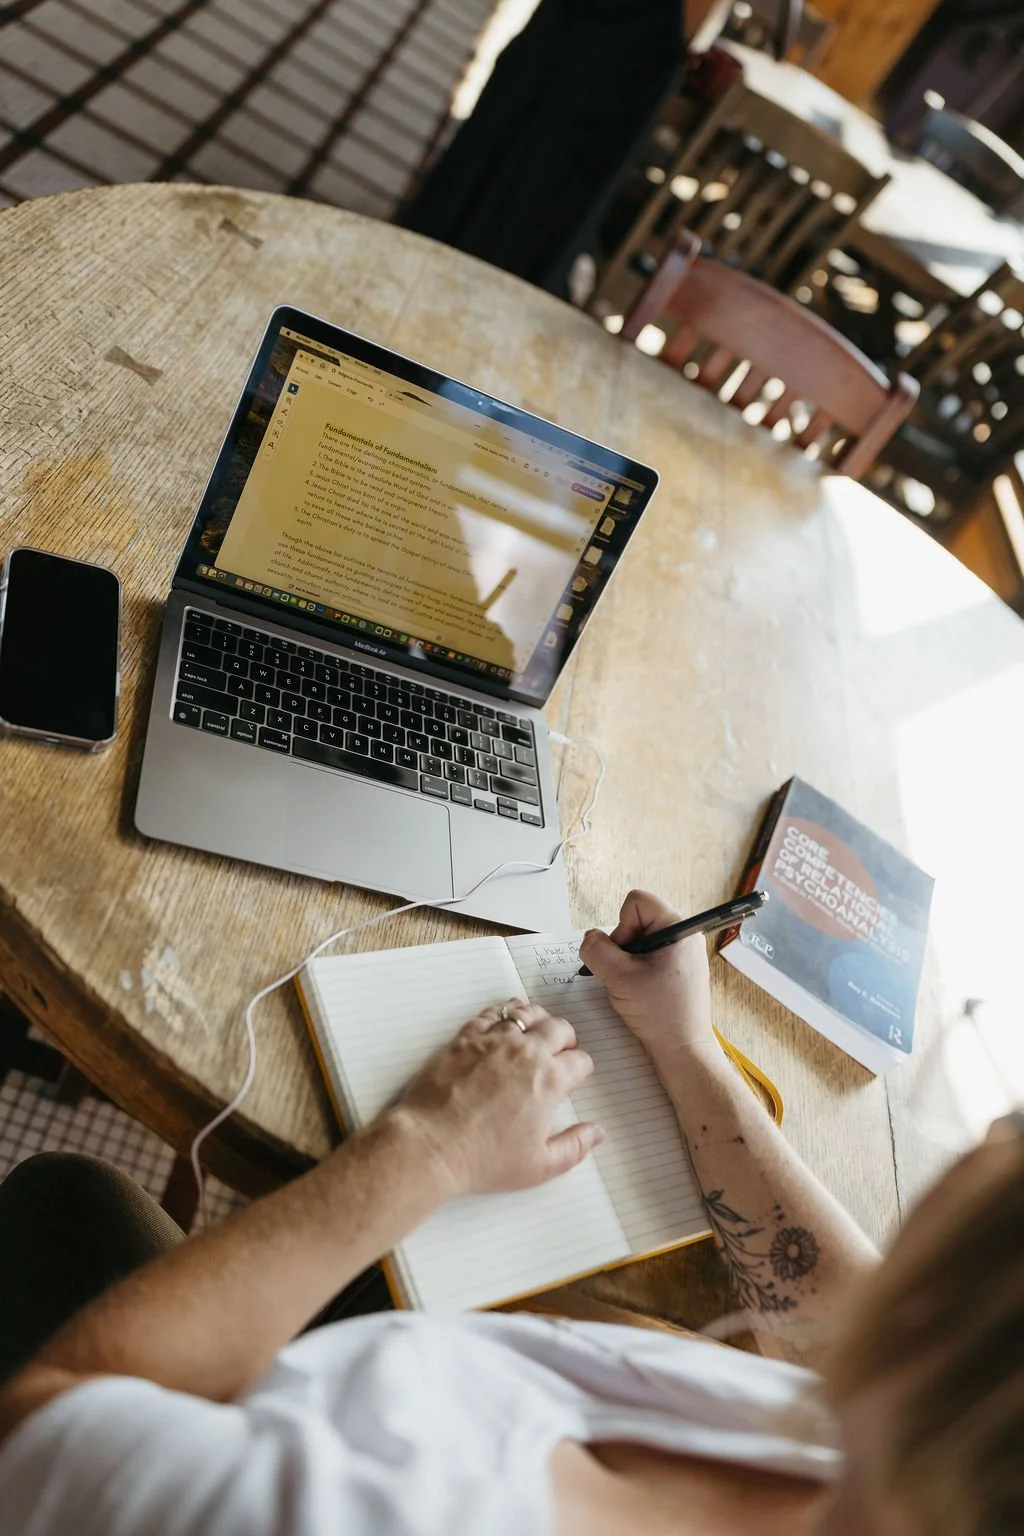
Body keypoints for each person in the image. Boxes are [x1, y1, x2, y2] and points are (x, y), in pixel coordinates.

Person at [0, 888, 1020, 1535]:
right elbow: (849, 1317)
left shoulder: (381, 1512)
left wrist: (429, 1147)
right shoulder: (908, 1457)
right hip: (444, 1361)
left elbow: (50, 1427)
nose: (991, 1133)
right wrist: (684, 1046)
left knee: (67, 1197)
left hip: (212, 1412)